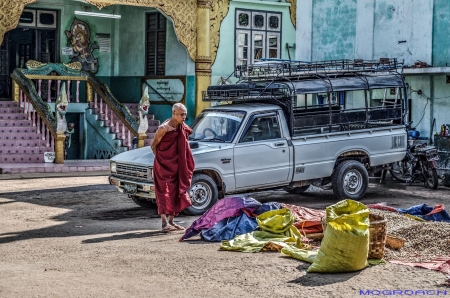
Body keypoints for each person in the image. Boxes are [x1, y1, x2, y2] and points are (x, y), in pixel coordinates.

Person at [151, 103, 195, 232]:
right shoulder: (163, 128)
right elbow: (154, 146)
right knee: (163, 192)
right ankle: (164, 223)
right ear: (174, 113)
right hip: (163, 165)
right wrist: (163, 159)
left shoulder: (182, 127)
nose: (184, 117)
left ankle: (171, 221)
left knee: (175, 191)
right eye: (181, 114)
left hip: (177, 165)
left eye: (185, 114)